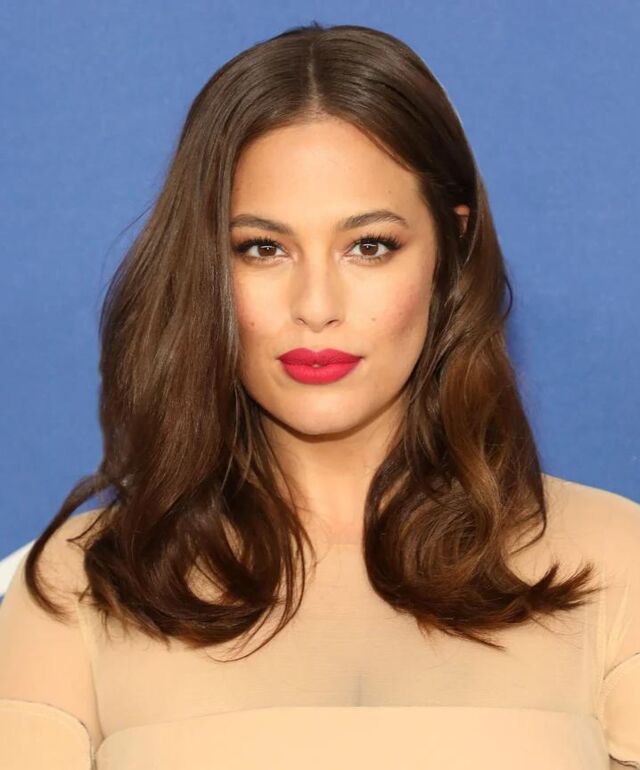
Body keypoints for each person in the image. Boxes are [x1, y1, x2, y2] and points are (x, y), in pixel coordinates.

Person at [0, 21, 638, 770]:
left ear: (451, 251)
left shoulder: (613, 561)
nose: (316, 306)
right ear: (207, 267)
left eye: (369, 246)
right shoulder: (79, 587)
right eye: (263, 248)